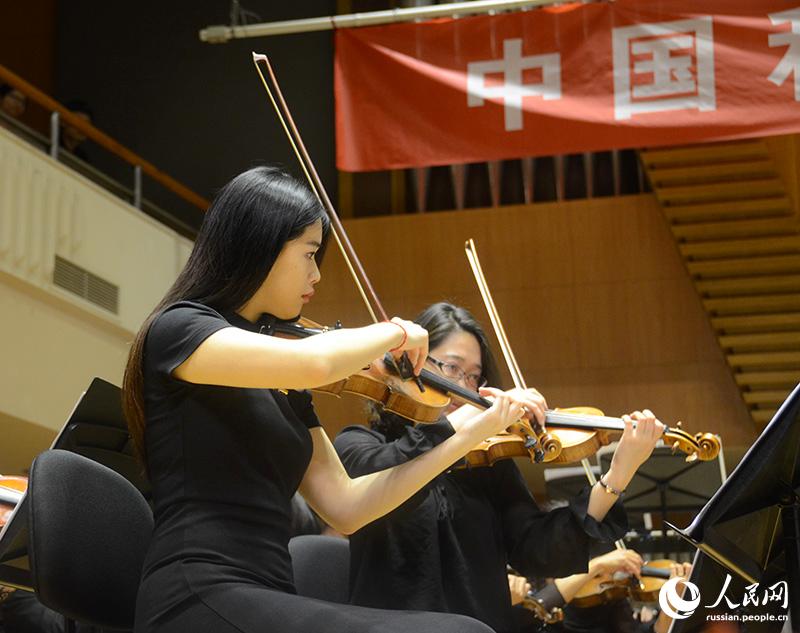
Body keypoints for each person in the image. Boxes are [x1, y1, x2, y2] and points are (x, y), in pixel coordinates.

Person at [123, 166, 544, 633]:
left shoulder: (283, 376)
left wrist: (463, 438)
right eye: (308, 253)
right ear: (261, 244)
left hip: (266, 595)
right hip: (196, 596)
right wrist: (396, 331)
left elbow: (347, 507)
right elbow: (316, 363)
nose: (317, 273)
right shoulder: (181, 330)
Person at [334, 302, 666, 633]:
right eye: (452, 368)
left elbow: (537, 550)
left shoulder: (488, 463)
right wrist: (462, 424)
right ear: (412, 361)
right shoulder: (360, 445)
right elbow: (370, 486)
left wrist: (617, 475)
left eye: (475, 376)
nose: (464, 387)